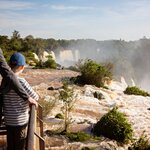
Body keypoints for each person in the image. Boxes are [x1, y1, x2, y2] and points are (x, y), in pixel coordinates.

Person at [0, 48, 38, 150]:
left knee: (11, 145)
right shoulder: (21, 81)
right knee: (20, 145)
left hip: (8, 121)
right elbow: (35, 97)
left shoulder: (4, 81)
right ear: (22, 67)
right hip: (20, 122)